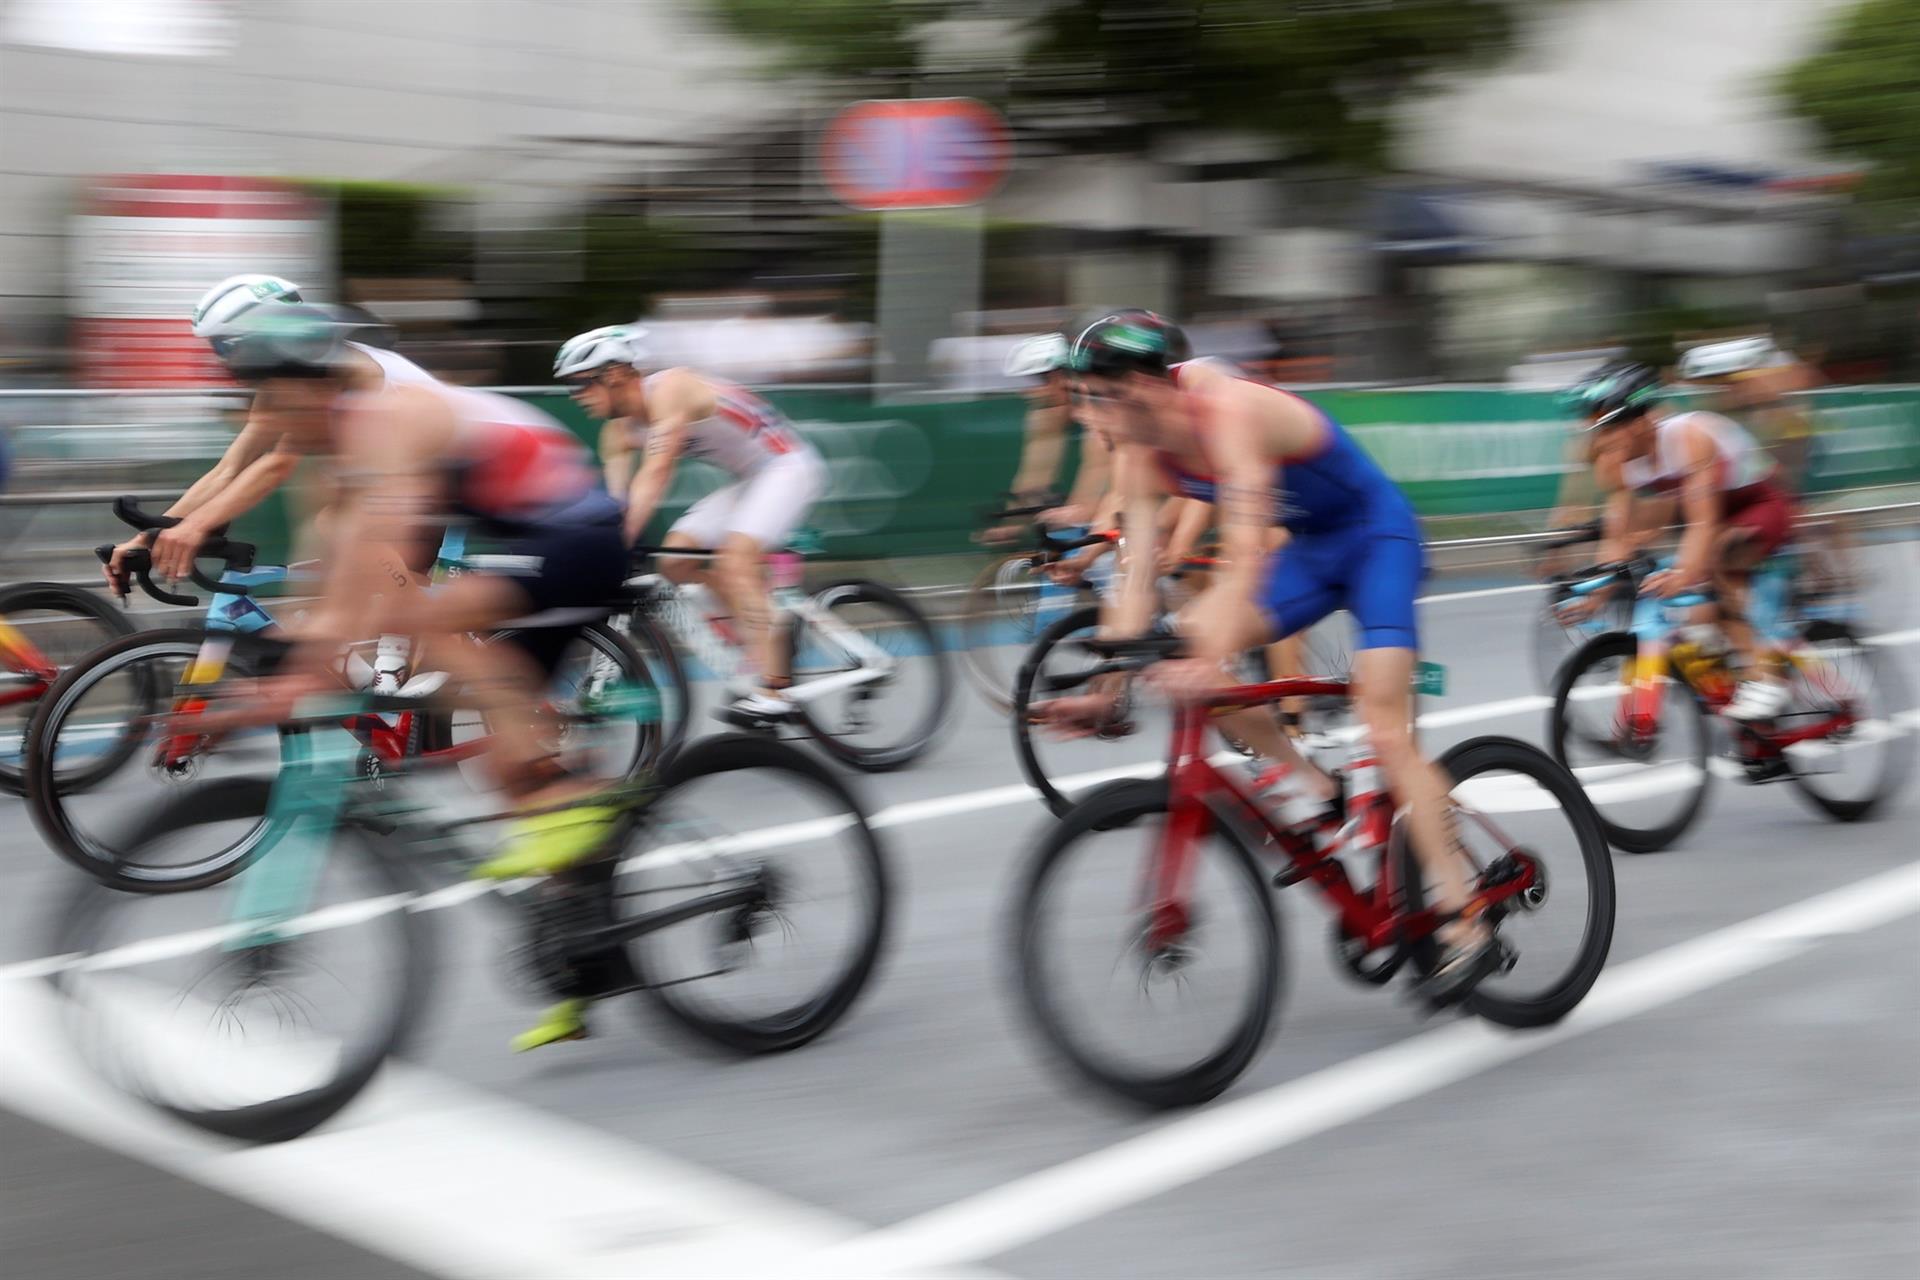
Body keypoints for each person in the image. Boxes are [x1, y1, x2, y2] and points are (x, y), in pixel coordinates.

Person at [1038, 312, 1497, 1000]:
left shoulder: (1224, 407)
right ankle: (1317, 790)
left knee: (1383, 725)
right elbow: (1133, 585)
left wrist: (1203, 649)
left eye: (1094, 396)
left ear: (1138, 385)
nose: (1087, 417)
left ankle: (1468, 921)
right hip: (1312, 549)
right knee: (1193, 664)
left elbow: (1247, 551)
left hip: (1378, 537)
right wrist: (1111, 685)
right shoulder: (1137, 448)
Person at [212, 303, 629, 1048]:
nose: (265, 417)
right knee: (507, 771)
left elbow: (390, 548)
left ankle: (576, 804)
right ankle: (587, 948)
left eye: (272, 399)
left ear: (313, 386)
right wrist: (304, 644)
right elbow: (335, 563)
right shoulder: (337, 452)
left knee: (424, 620)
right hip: (536, 541)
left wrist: (309, 663)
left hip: (578, 535)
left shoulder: (392, 416)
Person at [103, 273, 442, 692]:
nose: (227, 363)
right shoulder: (287, 377)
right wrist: (153, 536)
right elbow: (229, 469)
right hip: (392, 476)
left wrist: (194, 528)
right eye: (218, 350)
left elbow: (278, 464)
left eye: (228, 346)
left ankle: (432, 632)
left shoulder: (332, 367)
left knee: (336, 526)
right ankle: (398, 649)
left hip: (449, 471)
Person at [556, 324, 828, 725]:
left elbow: (656, 472)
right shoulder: (616, 433)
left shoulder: (670, 388)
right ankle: (760, 620)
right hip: (751, 480)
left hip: (788, 466)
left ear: (613, 374)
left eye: (580, 385)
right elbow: (618, 505)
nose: (576, 396)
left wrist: (618, 541)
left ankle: (776, 690)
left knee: (735, 561)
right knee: (675, 561)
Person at [1571, 360, 1799, 720]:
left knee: (1717, 562)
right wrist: (1596, 595)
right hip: (1716, 513)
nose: (1602, 441)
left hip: (1760, 503)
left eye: (1611, 429)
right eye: (1597, 431)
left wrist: (1684, 573)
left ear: (1642, 421)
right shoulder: (1617, 463)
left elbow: (1703, 523)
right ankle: (1735, 669)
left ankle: (1765, 679)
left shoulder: (1688, 437)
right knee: (1699, 613)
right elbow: (1621, 536)